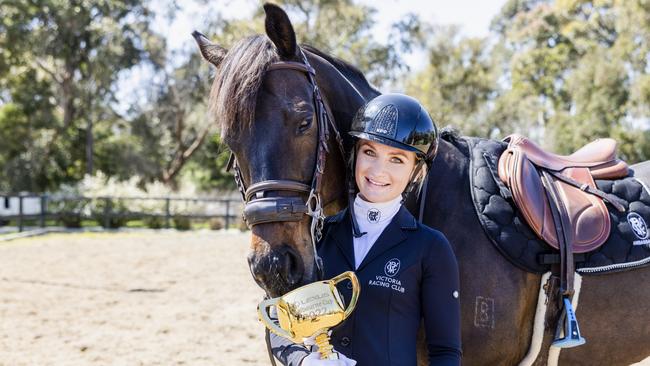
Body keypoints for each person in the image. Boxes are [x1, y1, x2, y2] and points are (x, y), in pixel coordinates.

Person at [270, 93, 461, 366]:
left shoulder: (431, 248)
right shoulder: (317, 236)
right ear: (355, 155)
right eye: (369, 152)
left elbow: (446, 353)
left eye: (397, 159)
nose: (378, 170)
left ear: (416, 171)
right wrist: (302, 360)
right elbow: (276, 320)